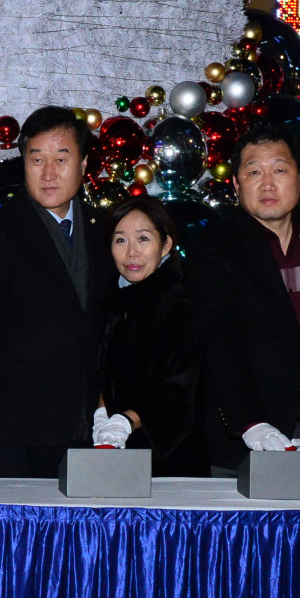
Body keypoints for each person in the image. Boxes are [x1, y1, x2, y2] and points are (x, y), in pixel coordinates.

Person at [0, 106, 111, 475]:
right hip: (15, 426)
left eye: (61, 158)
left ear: (84, 164)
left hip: (89, 422)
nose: (49, 173)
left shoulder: (104, 229)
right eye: (37, 159)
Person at [187, 123, 300, 470]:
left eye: (279, 169)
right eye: (253, 172)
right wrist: (251, 423)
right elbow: (219, 343)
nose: (267, 184)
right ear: (236, 183)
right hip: (247, 435)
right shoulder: (215, 246)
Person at [91, 200, 204, 474]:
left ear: (165, 245)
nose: (131, 252)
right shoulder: (111, 301)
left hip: (168, 455)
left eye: (143, 238)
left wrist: (125, 421)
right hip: (114, 451)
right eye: (120, 240)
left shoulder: (179, 304)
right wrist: (100, 414)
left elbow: (177, 391)